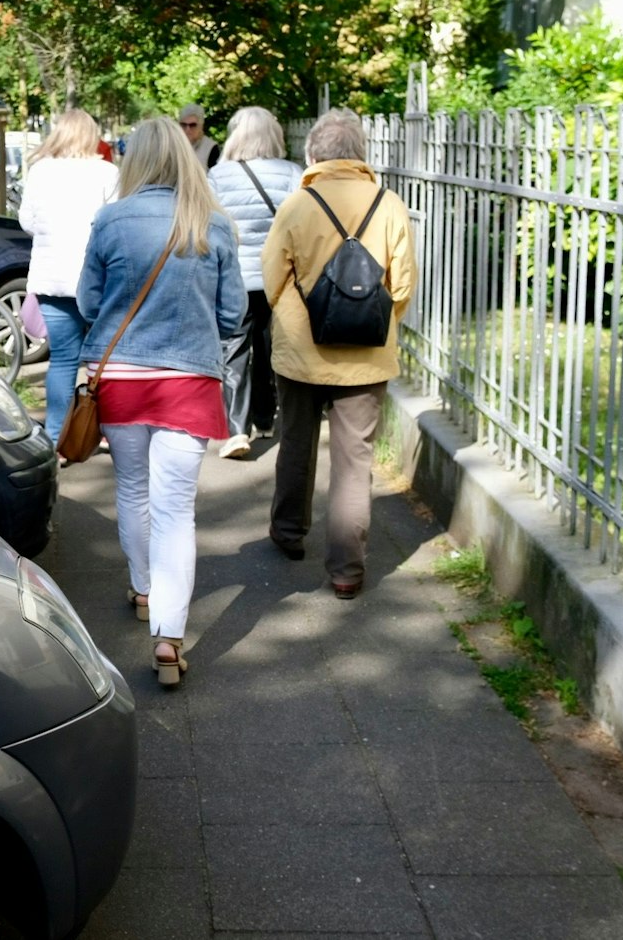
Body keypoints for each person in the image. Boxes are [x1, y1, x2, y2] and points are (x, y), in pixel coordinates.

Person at [77, 116, 243, 685]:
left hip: (120, 377)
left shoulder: (110, 219)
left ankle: (144, 588)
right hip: (188, 380)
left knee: (132, 489)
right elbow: (232, 315)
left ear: (135, 161)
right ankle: (169, 637)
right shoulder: (213, 224)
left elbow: (87, 301)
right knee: (177, 510)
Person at [261, 109, 415, 599]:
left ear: (314, 154)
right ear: (362, 153)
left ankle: (288, 533)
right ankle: (347, 571)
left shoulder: (297, 204)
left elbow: (271, 281)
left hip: (301, 350)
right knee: (354, 461)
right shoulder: (389, 204)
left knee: (297, 443)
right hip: (365, 357)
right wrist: (375, 320)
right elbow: (404, 283)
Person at [207, 106, 304, 459]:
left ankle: (237, 429)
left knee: (234, 349)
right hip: (277, 279)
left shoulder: (218, 176)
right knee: (269, 347)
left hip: (234, 278)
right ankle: (265, 417)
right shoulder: (293, 173)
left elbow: (210, 226)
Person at [17, 109, 120, 440]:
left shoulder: (41, 171)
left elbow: (27, 222)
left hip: (52, 278)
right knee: (104, 358)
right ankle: (100, 430)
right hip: (97, 280)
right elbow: (115, 225)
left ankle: (56, 435)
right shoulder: (107, 172)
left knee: (62, 359)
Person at [179, 104, 219, 169]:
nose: (187, 129)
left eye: (192, 125)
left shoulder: (211, 148)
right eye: (184, 125)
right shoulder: (174, 146)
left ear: (201, 126)